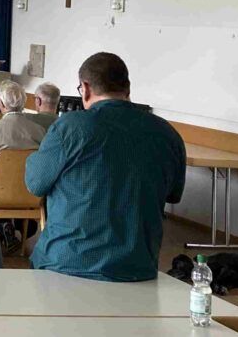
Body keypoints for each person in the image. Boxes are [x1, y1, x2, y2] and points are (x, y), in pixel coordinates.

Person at [26, 53, 186, 282]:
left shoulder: (70, 127)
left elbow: (35, 183)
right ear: (128, 88)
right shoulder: (167, 133)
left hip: (66, 263)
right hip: (138, 269)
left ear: (85, 88)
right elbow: (174, 194)